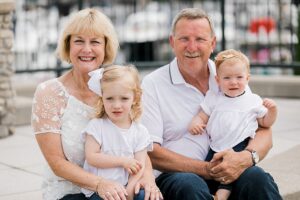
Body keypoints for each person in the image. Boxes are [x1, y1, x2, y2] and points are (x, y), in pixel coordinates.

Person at [141, 7, 282, 200]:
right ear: (172, 42)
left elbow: (264, 130)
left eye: (200, 39)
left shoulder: (228, 76)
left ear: (212, 43)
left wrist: (246, 158)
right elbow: (151, 152)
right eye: (184, 39)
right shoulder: (152, 84)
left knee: (258, 179)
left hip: (231, 168)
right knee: (191, 186)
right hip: (178, 174)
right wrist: (208, 169)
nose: (192, 47)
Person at [31, 8, 161, 200]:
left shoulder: (117, 89)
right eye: (79, 41)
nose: (87, 49)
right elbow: (56, 162)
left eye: (95, 42)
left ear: (106, 47)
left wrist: (148, 179)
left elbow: (137, 142)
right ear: (68, 45)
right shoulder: (49, 93)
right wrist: (100, 184)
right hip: (70, 191)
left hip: (120, 187)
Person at [188, 49, 278, 200]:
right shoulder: (214, 98)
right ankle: (208, 192)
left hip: (239, 143)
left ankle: (222, 195)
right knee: (210, 168)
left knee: (233, 169)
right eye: (227, 78)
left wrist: (272, 110)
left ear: (247, 78)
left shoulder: (252, 100)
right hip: (215, 145)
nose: (234, 82)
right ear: (218, 80)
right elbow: (202, 115)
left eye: (239, 77)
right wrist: (196, 123)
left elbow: (265, 122)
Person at [81, 65, 153, 200]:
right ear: (102, 98)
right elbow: (92, 157)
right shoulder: (97, 126)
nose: (116, 105)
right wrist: (123, 161)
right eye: (109, 98)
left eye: (124, 98)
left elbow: (139, 165)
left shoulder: (140, 131)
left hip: (126, 187)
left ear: (135, 98)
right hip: (101, 190)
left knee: (145, 197)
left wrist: (130, 190)